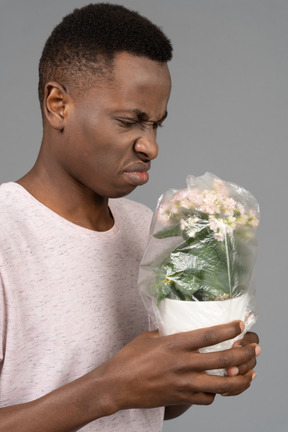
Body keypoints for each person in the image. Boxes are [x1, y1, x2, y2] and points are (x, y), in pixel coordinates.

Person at [0, 3, 260, 431]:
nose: (151, 147)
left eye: (157, 124)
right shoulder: (8, 236)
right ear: (57, 105)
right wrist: (109, 388)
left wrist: (204, 366)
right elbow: (116, 392)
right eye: (129, 122)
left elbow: (149, 404)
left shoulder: (147, 229)